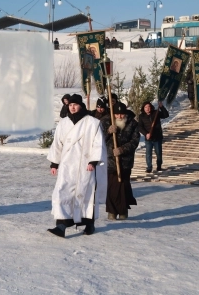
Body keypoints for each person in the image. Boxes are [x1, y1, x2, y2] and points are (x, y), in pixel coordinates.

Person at [47, 94, 107, 238]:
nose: (72, 107)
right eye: (70, 105)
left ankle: (89, 224)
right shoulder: (63, 123)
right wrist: (55, 163)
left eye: (75, 105)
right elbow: (57, 144)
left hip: (84, 166)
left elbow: (98, 143)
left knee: (85, 193)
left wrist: (93, 161)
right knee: (61, 193)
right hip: (67, 165)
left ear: (81, 105)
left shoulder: (92, 122)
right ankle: (61, 226)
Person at [101, 102, 139, 220]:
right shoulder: (106, 122)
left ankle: (123, 211)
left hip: (125, 161)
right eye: (117, 114)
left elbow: (135, 141)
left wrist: (122, 149)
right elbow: (99, 139)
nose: (119, 117)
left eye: (121, 114)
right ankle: (112, 211)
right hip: (110, 161)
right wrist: (108, 132)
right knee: (112, 187)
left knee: (123, 186)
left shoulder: (132, 123)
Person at [137, 101, 169, 173]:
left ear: (151, 107)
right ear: (143, 108)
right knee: (148, 153)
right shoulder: (141, 116)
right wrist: (146, 134)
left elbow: (166, 115)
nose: (147, 109)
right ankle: (149, 167)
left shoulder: (156, 113)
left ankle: (159, 166)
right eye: (146, 107)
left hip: (157, 137)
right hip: (148, 138)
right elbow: (140, 127)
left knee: (158, 153)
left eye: (149, 107)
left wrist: (162, 107)